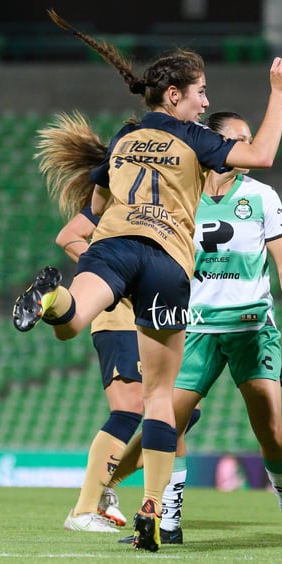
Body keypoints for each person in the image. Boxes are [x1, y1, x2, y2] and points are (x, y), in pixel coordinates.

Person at [13, 8, 282, 552]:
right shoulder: (193, 138)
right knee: (161, 398)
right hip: (165, 263)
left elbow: (94, 208)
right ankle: (152, 511)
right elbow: (261, 154)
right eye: (201, 92)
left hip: (114, 246)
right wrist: (278, 92)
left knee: (69, 322)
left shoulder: (124, 137)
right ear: (173, 95)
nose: (206, 102)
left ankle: (49, 296)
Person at [114, 112, 282, 548]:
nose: (246, 146)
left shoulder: (261, 196)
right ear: (214, 143)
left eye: (249, 139)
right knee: (172, 422)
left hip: (251, 327)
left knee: (269, 425)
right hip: (195, 331)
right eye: (238, 138)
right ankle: (167, 519)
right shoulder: (182, 197)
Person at [36, 112, 200, 539]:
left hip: (145, 307)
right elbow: (70, 234)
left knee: (176, 413)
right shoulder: (122, 195)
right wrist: (116, 281)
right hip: (118, 314)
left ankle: (108, 490)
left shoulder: (155, 196)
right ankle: (88, 505)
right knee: (133, 408)